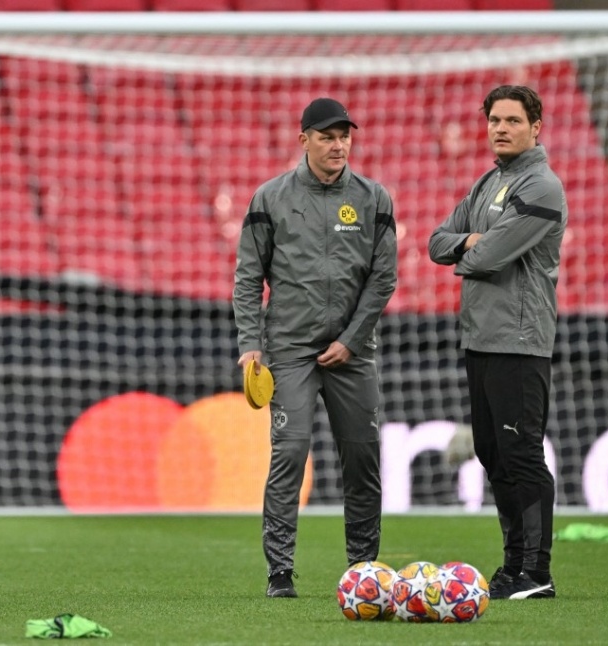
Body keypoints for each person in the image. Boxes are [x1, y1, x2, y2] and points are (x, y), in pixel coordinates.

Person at [232, 97, 397, 598]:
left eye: (344, 135)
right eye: (327, 136)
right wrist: (249, 344)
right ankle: (279, 572)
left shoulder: (373, 199)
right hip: (290, 349)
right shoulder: (270, 198)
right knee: (291, 454)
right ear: (303, 140)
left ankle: (363, 570)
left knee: (363, 458)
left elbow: (384, 277)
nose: (338, 144)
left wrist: (351, 339)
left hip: (354, 352)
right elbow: (247, 278)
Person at [428, 85, 567, 600]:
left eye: (512, 120)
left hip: (521, 340)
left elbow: (484, 261)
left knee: (521, 452)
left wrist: (469, 251)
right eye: (494, 120)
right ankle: (512, 568)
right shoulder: (489, 182)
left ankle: (538, 571)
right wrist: (470, 242)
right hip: (481, 338)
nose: (501, 128)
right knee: (491, 452)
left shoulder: (542, 187)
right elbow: (437, 240)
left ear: (536, 127)